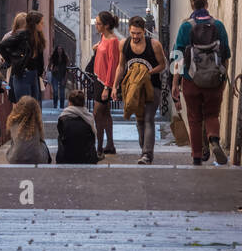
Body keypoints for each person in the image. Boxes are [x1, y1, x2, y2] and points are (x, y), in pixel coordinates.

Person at [170, 0, 231, 166]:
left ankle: (197, 156)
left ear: (192, 6)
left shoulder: (186, 27)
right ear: (206, 5)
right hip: (214, 80)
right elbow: (226, 53)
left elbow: (178, 56)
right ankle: (213, 140)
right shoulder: (218, 25)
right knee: (212, 114)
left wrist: (176, 83)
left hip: (191, 79)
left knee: (194, 118)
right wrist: (223, 78)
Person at [112, 14, 167, 164]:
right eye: (133, 33)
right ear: (129, 31)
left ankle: (147, 154)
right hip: (133, 87)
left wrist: (148, 73)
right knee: (139, 120)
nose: (135, 36)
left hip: (152, 86)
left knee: (149, 118)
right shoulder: (124, 44)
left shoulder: (154, 45)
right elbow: (121, 66)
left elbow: (163, 65)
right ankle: (144, 149)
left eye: (139, 33)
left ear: (144, 31)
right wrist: (115, 85)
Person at [91, 11, 120, 160]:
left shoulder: (113, 41)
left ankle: (99, 148)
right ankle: (110, 145)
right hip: (98, 78)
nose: (96, 25)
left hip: (105, 82)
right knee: (106, 113)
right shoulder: (103, 37)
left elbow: (113, 65)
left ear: (107, 25)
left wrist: (107, 87)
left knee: (97, 114)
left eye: (98, 23)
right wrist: (96, 48)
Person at [0, 10, 45, 102]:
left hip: (34, 74)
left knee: (34, 106)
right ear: (35, 24)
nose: (43, 25)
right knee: (24, 106)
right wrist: (12, 60)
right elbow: (1, 46)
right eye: (41, 23)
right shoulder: (22, 35)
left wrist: (39, 72)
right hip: (22, 74)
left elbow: (39, 58)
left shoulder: (38, 37)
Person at [5, 95, 51, 164]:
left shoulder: (13, 123)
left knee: (12, 145)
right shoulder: (37, 123)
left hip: (15, 159)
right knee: (43, 144)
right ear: (36, 109)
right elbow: (41, 139)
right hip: (37, 160)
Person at [56, 90, 98, 164]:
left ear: (69, 103)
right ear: (83, 103)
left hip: (65, 158)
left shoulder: (62, 118)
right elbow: (93, 137)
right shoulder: (89, 117)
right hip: (87, 158)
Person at [48, 46, 69, 110]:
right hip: (55, 76)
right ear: (56, 50)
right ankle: (55, 105)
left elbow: (67, 69)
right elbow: (49, 67)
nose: (59, 50)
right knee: (55, 91)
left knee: (62, 92)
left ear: (62, 50)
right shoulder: (54, 57)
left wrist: (65, 78)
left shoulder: (65, 58)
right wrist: (53, 69)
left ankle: (62, 106)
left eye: (61, 49)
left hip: (62, 76)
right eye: (58, 49)